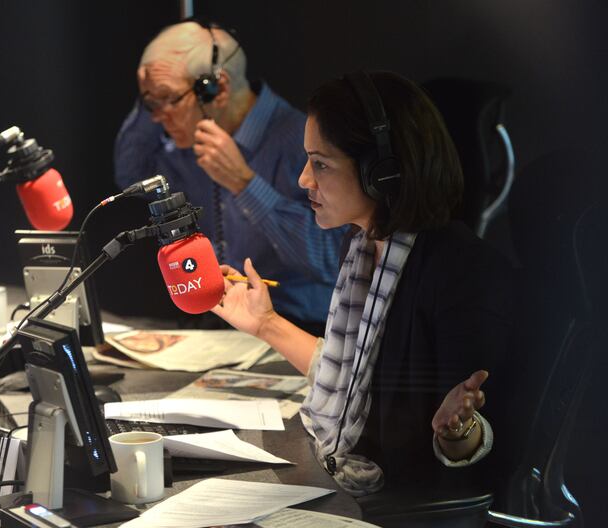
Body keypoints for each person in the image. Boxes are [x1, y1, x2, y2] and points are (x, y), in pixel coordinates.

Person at [212, 71, 514, 496]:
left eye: (321, 163)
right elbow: (354, 378)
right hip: (350, 478)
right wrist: (265, 323)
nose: (304, 180)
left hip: (403, 504)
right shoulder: (362, 245)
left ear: (382, 172)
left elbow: (479, 449)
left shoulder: (461, 273)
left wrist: (457, 430)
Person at [114, 20, 345, 333]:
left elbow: (332, 260)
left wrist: (245, 184)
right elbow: (130, 173)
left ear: (216, 88)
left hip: (300, 326)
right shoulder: (186, 140)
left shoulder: (301, 142)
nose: (156, 117)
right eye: (150, 105)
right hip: (222, 324)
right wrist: (151, 94)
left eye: (166, 100)